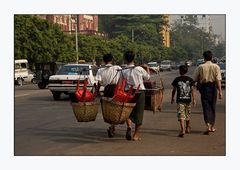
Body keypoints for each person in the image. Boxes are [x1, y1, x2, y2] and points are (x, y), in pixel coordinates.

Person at [121, 51, 150, 141]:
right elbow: (147, 77)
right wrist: (147, 68)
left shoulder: (123, 70)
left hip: (128, 92)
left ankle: (129, 126)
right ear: (134, 58)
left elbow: (121, 82)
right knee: (139, 113)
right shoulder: (139, 69)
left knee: (128, 111)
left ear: (125, 59)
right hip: (139, 93)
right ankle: (135, 135)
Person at [192, 50, 222, 135]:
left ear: (204, 58)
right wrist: (220, 91)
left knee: (206, 107)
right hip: (213, 88)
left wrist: (193, 89)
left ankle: (208, 125)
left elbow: (194, 79)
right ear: (211, 57)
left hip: (204, 89)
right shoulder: (216, 67)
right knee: (212, 106)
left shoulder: (200, 67)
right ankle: (212, 127)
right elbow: (218, 80)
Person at [95, 53, 121, 137]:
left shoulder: (100, 70)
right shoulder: (117, 68)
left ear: (104, 61)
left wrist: (97, 92)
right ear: (112, 60)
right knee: (117, 108)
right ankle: (114, 126)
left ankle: (112, 126)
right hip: (116, 90)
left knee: (109, 109)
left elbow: (99, 82)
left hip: (106, 90)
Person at [171, 65, 196, 137]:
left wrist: (172, 98)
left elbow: (174, 90)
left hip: (180, 101)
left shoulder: (176, 79)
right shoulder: (190, 79)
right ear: (187, 71)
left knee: (181, 115)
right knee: (187, 115)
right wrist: (194, 99)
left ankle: (182, 130)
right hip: (188, 100)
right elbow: (192, 90)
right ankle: (187, 127)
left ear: (179, 71)